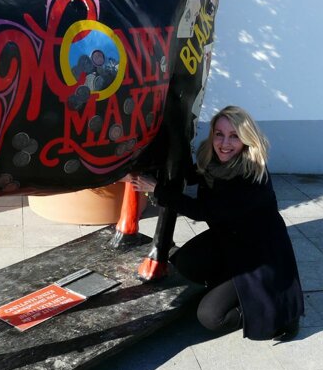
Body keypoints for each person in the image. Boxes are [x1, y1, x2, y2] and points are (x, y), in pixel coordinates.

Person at [128, 105, 304, 341]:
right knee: (185, 261)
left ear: (247, 139)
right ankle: (230, 286)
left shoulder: (251, 176)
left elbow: (204, 211)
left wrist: (157, 189)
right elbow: (190, 175)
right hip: (229, 237)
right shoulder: (212, 159)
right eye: (219, 134)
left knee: (210, 317)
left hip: (258, 254)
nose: (224, 143)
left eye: (234, 136)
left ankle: (272, 313)